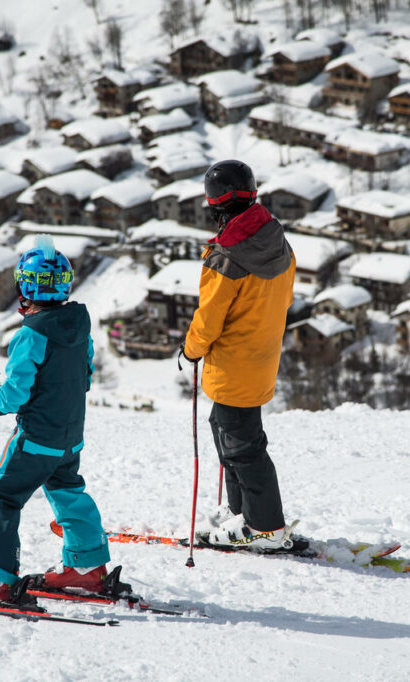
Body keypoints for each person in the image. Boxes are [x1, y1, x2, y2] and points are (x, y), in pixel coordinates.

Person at [0, 235, 112, 602]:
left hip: (37, 438)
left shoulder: (30, 334)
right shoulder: (79, 322)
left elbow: (16, 394)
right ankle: (86, 568)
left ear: (24, 284)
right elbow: (85, 375)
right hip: (69, 437)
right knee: (69, 492)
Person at [181, 159, 297, 550]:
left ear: (215, 204)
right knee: (227, 432)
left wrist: (189, 350)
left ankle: (265, 527)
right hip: (261, 357)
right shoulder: (275, 240)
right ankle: (241, 514)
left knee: (243, 448)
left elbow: (209, 320)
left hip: (232, 365)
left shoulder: (227, 257)